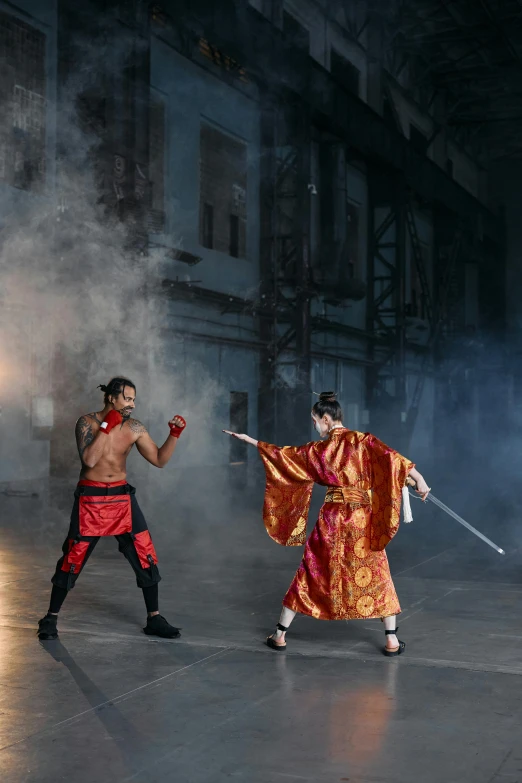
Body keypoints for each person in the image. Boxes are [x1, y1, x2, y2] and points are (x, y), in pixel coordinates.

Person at [224, 391, 430, 657]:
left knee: (311, 569)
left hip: (332, 519)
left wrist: (251, 441)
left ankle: (279, 635)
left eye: (314, 421)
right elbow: (394, 460)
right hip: (360, 519)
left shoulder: (318, 450)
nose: (314, 426)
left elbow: (284, 456)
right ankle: (391, 640)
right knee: (377, 572)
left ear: (325, 418)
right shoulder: (363, 441)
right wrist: (419, 479)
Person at [38, 377, 186, 641]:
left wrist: (173, 435)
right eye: (128, 398)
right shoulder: (86, 423)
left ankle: (154, 618)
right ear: (111, 398)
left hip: (121, 500)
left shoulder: (135, 427)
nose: (132, 404)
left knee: (145, 552)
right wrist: (106, 427)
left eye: (133, 399)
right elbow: (89, 459)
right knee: (73, 556)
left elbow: (159, 460)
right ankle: (50, 618)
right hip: (91, 500)